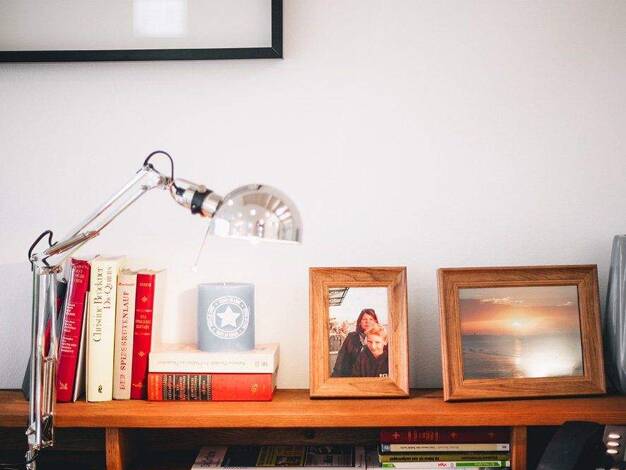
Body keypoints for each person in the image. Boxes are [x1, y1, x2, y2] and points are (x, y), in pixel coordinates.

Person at [331, 308, 379, 377]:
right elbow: (340, 361)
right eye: (364, 319)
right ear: (360, 322)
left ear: (375, 322)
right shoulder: (351, 337)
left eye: (371, 319)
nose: (367, 322)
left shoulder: (381, 339)